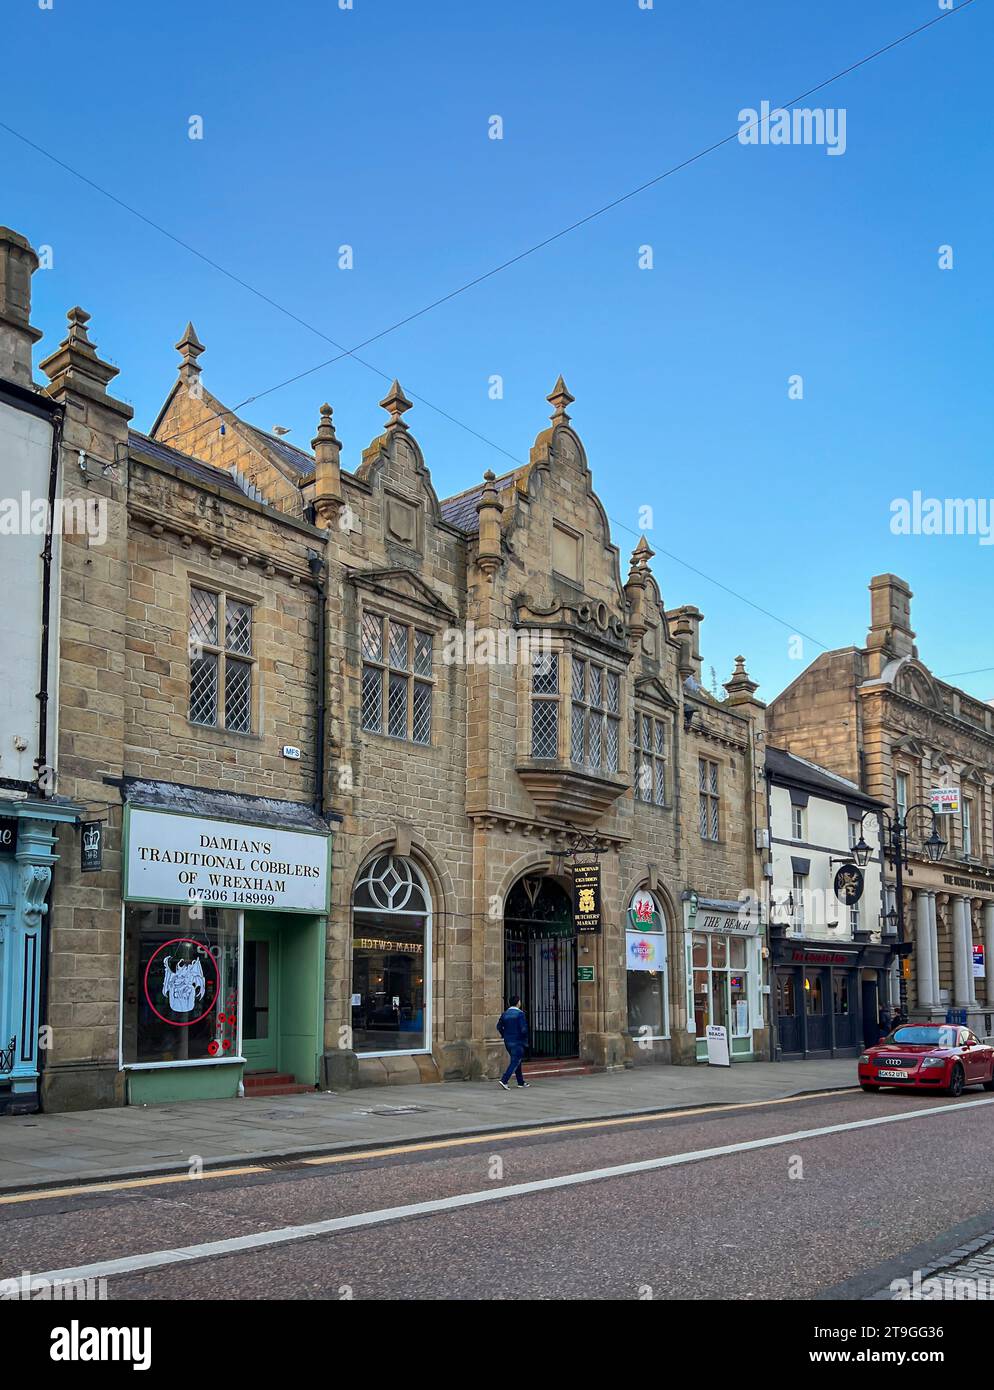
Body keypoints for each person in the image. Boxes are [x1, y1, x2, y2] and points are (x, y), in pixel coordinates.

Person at [496, 996, 530, 1090]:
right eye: (519, 1001)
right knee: (515, 1061)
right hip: (518, 1041)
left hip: (508, 1041)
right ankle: (504, 1080)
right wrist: (525, 1039)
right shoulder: (520, 1014)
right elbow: (523, 1029)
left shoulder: (505, 1014)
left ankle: (521, 1082)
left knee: (516, 1060)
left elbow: (498, 1026)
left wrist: (504, 1034)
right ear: (518, 1003)